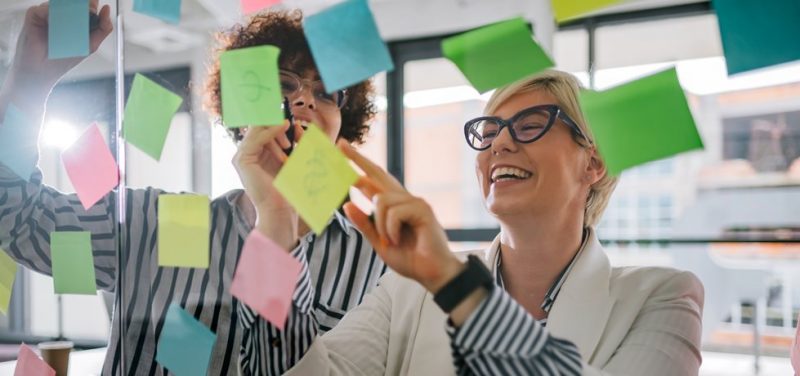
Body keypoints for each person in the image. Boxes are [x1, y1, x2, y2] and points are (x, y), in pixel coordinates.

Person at [0, 3, 384, 375]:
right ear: (239, 112)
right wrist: (29, 83)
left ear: (342, 128)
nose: (304, 100)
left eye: (326, 94)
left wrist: (277, 216)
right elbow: (18, 220)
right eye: (284, 83)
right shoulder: (152, 224)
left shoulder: (371, 260)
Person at [239, 70, 705, 375]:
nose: (498, 144)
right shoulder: (407, 291)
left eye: (529, 125)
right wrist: (274, 227)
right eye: (489, 131)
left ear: (594, 163)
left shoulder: (664, 297)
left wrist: (453, 282)